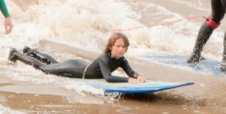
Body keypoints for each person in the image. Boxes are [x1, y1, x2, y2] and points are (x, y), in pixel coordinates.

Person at [8, 32, 147, 83]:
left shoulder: (122, 60)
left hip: (80, 65)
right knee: (44, 68)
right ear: (111, 46)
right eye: (118, 46)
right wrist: (128, 80)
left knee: (54, 63)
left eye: (124, 47)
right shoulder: (104, 58)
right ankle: (17, 54)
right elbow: (108, 78)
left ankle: (30, 51)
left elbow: (131, 72)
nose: (121, 49)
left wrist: (137, 76)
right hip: (74, 68)